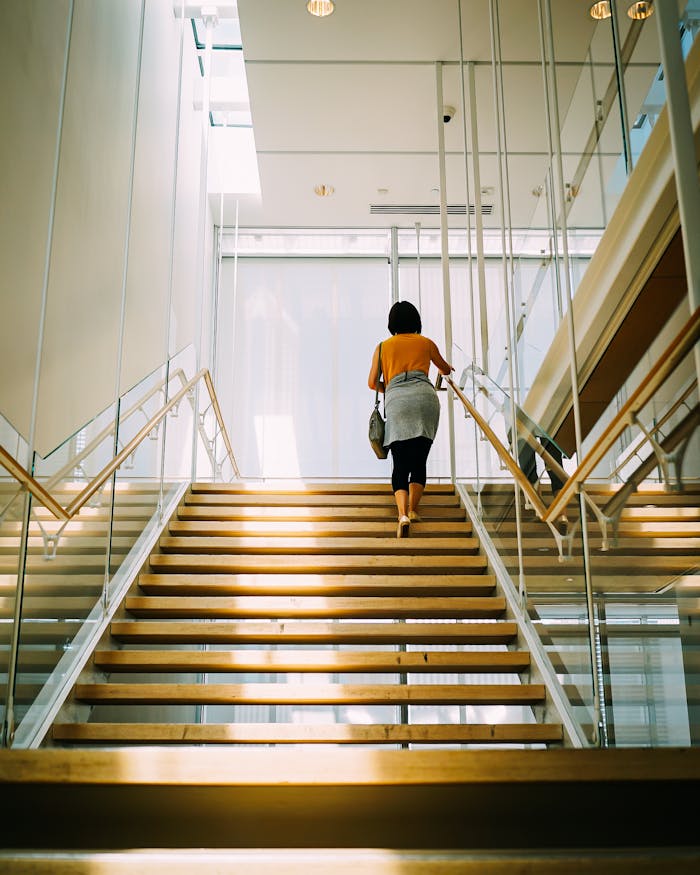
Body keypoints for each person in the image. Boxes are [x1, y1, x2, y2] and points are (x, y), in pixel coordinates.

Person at [367, 301, 453, 538]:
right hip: (425, 400)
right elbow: (446, 370)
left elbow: (373, 382)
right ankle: (414, 510)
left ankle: (402, 514)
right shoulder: (426, 343)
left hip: (398, 402)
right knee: (419, 460)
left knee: (400, 462)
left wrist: (394, 387)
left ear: (391, 322)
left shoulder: (383, 347)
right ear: (416, 320)